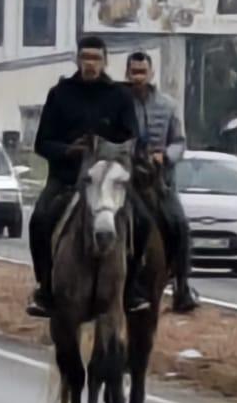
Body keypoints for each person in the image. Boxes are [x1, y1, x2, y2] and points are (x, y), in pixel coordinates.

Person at [26, 35, 149, 319]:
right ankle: (45, 288)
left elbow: (132, 139)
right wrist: (69, 150)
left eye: (95, 58)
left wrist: (112, 153)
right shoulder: (60, 94)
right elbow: (42, 143)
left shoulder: (119, 96)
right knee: (40, 219)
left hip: (109, 180)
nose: (90, 64)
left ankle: (132, 289)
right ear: (77, 60)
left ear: (105, 61)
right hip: (68, 178)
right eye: (85, 58)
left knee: (142, 220)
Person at [126, 50, 199, 314]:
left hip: (159, 183)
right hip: (126, 181)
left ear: (151, 73)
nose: (138, 77)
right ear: (127, 74)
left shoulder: (167, 105)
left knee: (180, 225)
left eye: (142, 72)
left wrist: (165, 156)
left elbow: (179, 142)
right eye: (134, 72)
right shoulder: (118, 103)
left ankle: (182, 286)